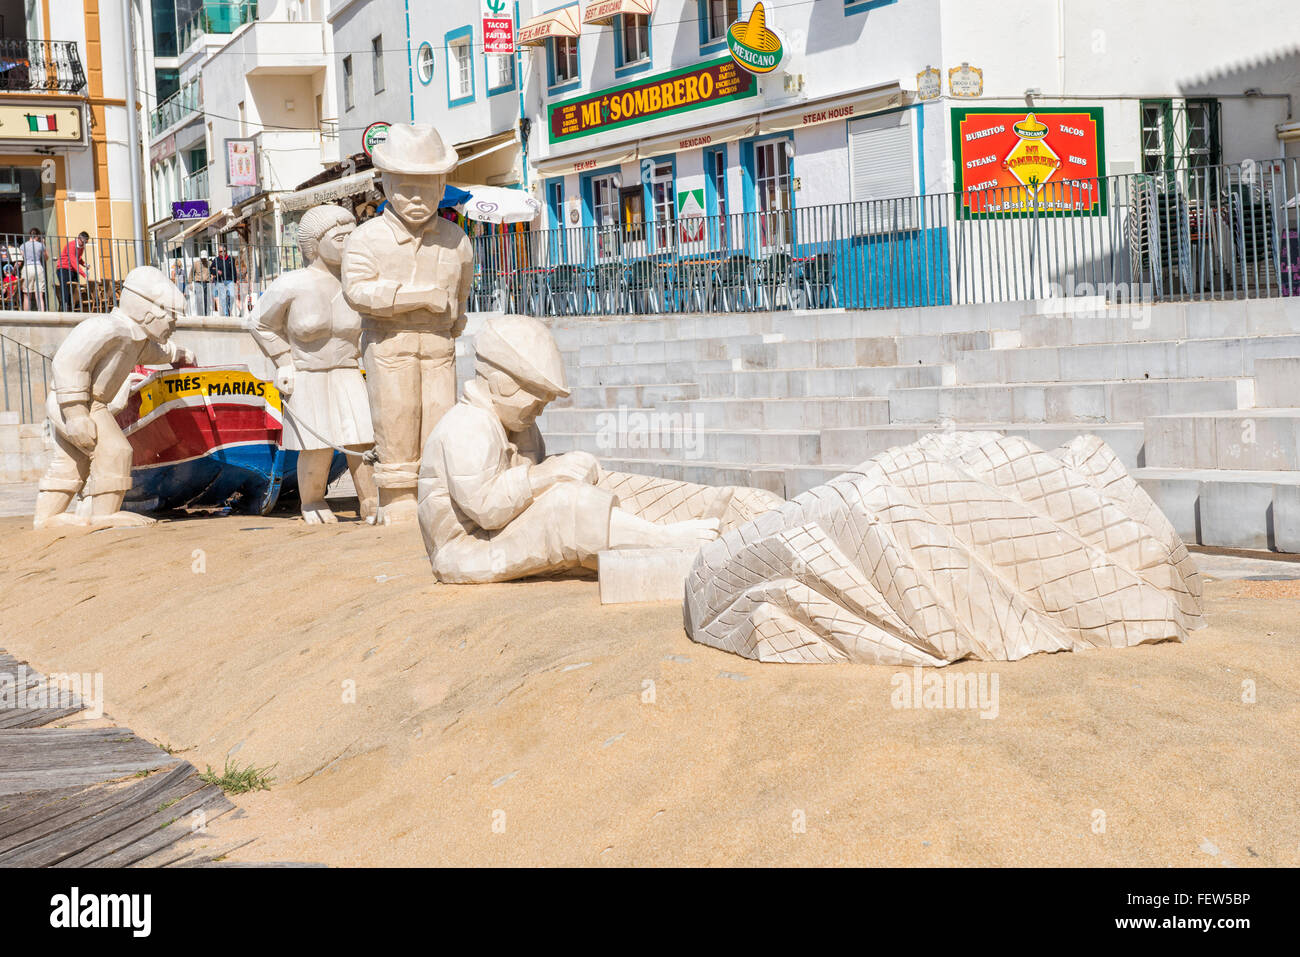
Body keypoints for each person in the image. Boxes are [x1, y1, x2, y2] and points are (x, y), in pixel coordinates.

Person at [416, 314, 783, 583]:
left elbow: (532, 482)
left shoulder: (514, 424)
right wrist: (547, 475)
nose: (540, 410)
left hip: (502, 531)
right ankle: (662, 540)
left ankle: (710, 505)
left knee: (591, 481)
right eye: (537, 400)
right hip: (471, 548)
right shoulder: (468, 427)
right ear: (501, 384)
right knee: (564, 507)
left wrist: (562, 471)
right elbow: (487, 509)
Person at [340, 123, 475, 525]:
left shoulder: (456, 239)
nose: (417, 199)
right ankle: (397, 495)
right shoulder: (367, 239)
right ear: (385, 184)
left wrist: (449, 320)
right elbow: (358, 292)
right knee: (396, 416)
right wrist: (417, 298)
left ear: (441, 186)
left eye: (427, 188)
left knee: (438, 416)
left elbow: (461, 293)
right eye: (405, 188)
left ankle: (435, 491)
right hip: (389, 345)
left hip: (438, 346)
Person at [33, 266, 196, 529]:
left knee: (73, 461)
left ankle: (48, 518)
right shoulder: (106, 328)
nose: (174, 324)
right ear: (148, 311)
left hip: (89, 405)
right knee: (115, 451)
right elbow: (67, 363)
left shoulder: (136, 339)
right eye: (172, 316)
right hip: (79, 404)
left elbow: (155, 353)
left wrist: (178, 353)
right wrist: (75, 414)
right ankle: (104, 515)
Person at [248, 204, 378, 524]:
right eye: (339, 238)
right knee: (316, 442)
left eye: (352, 236)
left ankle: (372, 501)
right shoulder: (292, 284)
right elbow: (259, 323)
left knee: (362, 437)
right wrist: (283, 361)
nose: (348, 244)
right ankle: (313, 501)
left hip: (348, 369)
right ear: (315, 244)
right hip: (308, 370)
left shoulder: (357, 284)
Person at [56, 231, 89, 311]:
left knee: (75, 288)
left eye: (86, 242)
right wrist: (84, 274)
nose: (84, 244)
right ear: (79, 238)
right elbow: (73, 261)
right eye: (83, 242)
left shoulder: (81, 247)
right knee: (65, 289)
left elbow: (78, 258)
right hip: (63, 268)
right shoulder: (71, 245)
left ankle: (76, 308)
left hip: (72, 269)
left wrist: (84, 264)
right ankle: (65, 308)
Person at [20, 228, 47, 311]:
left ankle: (26, 316)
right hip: (38, 267)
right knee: (39, 294)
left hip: (27, 267)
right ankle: (42, 315)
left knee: (27, 294)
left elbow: (22, 257)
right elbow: (46, 257)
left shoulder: (23, 245)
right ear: (37, 236)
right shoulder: (40, 245)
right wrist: (43, 244)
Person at [211, 245, 238, 317]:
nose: (222, 253)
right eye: (220, 251)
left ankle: (229, 306)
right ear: (218, 252)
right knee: (223, 298)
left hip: (230, 281)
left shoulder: (231, 259)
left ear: (226, 251)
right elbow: (211, 270)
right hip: (220, 281)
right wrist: (217, 271)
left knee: (231, 296)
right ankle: (226, 314)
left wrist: (235, 280)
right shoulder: (215, 260)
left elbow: (234, 270)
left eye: (224, 251)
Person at [192, 249, 212, 315]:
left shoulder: (209, 263)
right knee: (199, 299)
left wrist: (212, 276)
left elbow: (213, 270)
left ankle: (206, 313)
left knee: (206, 299)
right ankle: (200, 314)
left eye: (204, 258)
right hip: (198, 282)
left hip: (207, 282)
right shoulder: (196, 263)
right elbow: (191, 273)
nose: (203, 259)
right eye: (202, 258)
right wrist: (190, 283)